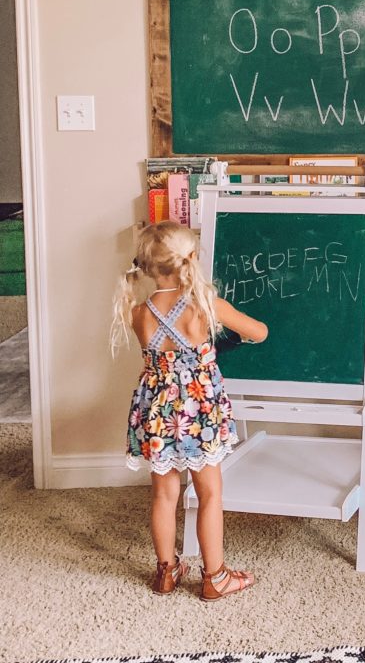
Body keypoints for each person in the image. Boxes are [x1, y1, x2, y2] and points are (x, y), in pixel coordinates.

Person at [112, 220, 269, 599]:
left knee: (163, 495)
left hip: (158, 410)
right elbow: (259, 331)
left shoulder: (138, 313)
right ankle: (215, 577)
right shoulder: (205, 306)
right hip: (198, 412)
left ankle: (166, 573)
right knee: (210, 493)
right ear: (192, 259)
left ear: (147, 266)